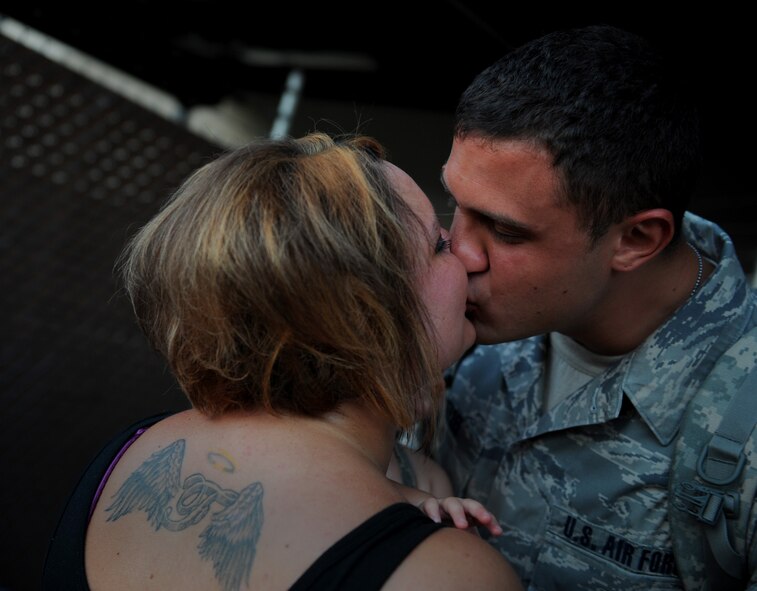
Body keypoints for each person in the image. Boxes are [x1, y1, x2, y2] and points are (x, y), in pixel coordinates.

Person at [42, 132, 521, 590]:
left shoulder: (130, 453)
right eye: (438, 244)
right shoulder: (443, 574)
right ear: (364, 315)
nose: (466, 256)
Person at [435, 24, 757, 590]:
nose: (459, 251)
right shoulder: (448, 322)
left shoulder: (743, 424)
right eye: (455, 204)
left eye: (505, 231)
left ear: (635, 241)